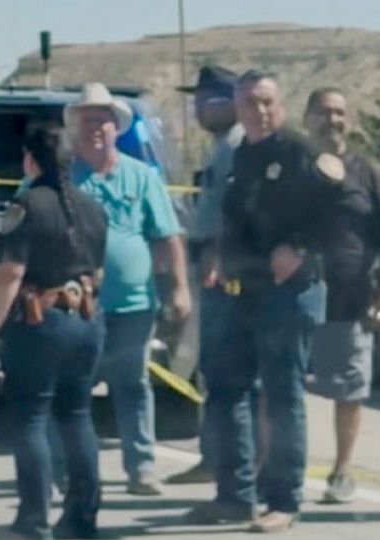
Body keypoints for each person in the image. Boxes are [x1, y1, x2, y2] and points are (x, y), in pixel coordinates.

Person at [184, 70, 335, 533]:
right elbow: (232, 216)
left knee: (282, 396)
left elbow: (343, 209)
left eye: (267, 102)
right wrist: (218, 256)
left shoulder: (300, 152)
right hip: (240, 291)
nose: (260, 111)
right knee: (228, 391)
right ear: (238, 108)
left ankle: (284, 498)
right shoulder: (239, 157)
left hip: (288, 294)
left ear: (281, 106)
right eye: (250, 103)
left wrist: (302, 248)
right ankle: (234, 495)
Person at [0, 126, 108, 540]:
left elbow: (10, 273)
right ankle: (82, 516)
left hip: (41, 324)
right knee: (77, 415)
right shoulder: (92, 208)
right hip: (86, 321)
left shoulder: (26, 205)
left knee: (29, 417)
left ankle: (33, 521)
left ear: (31, 161)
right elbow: (96, 273)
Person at [65, 83, 192, 496]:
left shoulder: (141, 176)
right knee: (75, 387)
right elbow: (30, 220)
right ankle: (74, 469)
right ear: (75, 128)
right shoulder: (62, 178)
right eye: (87, 120)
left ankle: (142, 468)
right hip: (77, 305)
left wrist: (179, 289)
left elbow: (167, 236)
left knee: (133, 385)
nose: (95, 128)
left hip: (135, 304)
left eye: (102, 119)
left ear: (116, 127)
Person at [302, 87, 380, 503]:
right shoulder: (292, 170)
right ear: (307, 117)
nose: (333, 120)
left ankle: (342, 470)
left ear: (352, 121)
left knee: (349, 390)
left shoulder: (372, 175)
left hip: (350, 300)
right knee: (280, 388)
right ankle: (272, 467)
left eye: (340, 113)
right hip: (292, 300)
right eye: (324, 112)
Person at [167, 65, 249, 485]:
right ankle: (212, 455)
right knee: (208, 370)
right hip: (206, 264)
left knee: (224, 370)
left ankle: (230, 462)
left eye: (206, 100)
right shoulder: (219, 148)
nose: (198, 108)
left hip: (226, 272)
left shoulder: (238, 149)